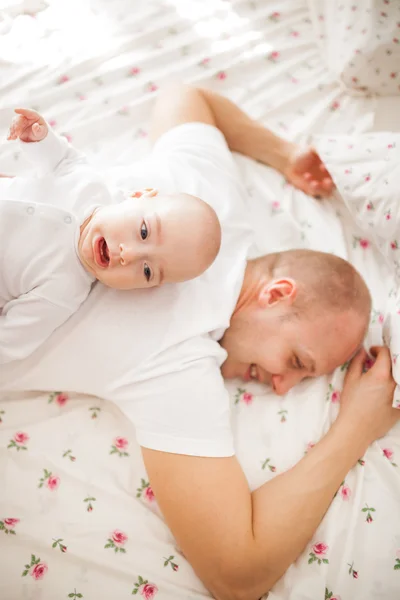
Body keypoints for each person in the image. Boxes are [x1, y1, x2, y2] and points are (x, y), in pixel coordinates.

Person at [0, 85, 399, 600]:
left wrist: (285, 156)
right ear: (278, 294)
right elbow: (238, 574)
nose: (282, 386)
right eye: (298, 362)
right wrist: (355, 428)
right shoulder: (176, 363)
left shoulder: (211, 190)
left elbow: (188, 98)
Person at [0, 108, 221, 363]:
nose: (130, 254)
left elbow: (10, 341)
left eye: (147, 271)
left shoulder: (61, 291)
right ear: (138, 195)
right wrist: (39, 138)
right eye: (144, 232)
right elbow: (64, 160)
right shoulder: (90, 185)